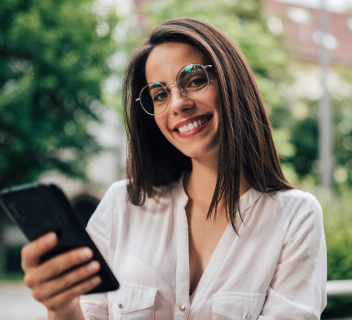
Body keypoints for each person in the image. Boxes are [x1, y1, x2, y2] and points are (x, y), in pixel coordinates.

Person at [21, 18, 327, 320]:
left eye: (194, 81)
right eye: (160, 95)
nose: (178, 104)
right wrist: (61, 308)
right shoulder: (122, 205)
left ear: (231, 82)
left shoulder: (295, 218)